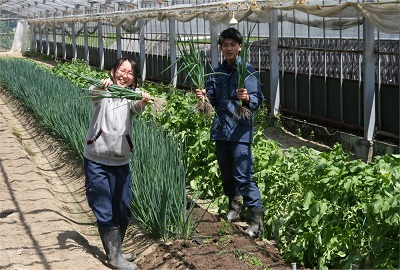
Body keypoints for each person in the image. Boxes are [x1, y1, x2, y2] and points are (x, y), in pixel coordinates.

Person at [195, 27, 265, 239]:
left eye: (232, 45)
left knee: (243, 175)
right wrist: (204, 97)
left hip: (240, 132)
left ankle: (256, 220)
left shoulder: (249, 71)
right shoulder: (216, 73)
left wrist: (246, 99)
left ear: (240, 47)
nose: (228, 49)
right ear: (221, 47)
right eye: (225, 45)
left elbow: (257, 101)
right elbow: (214, 101)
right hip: (221, 130)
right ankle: (235, 208)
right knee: (226, 173)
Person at [84, 57, 150, 270]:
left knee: (122, 207)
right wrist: (100, 85)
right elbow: (92, 93)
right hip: (97, 158)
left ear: (134, 79)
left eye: (130, 73)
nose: (125, 75)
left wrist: (143, 101)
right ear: (113, 72)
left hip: (121, 160)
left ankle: (117, 250)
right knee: (103, 206)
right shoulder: (102, 91)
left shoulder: (129, 96)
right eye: (122, 70)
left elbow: (137, 109)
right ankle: (114, 257)